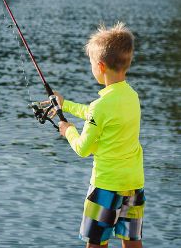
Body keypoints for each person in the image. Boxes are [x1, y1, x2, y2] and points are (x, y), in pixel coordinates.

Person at [50, 22, 145, 248]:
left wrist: (68, 130)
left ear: (100, 66)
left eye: (91, 63)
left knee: (96, 244)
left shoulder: (101, 106)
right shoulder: (131, 96)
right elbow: (97, 115)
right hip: (133, 185)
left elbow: (83, 148)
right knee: (132, 243)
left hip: (106, 187)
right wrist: (66, 105)